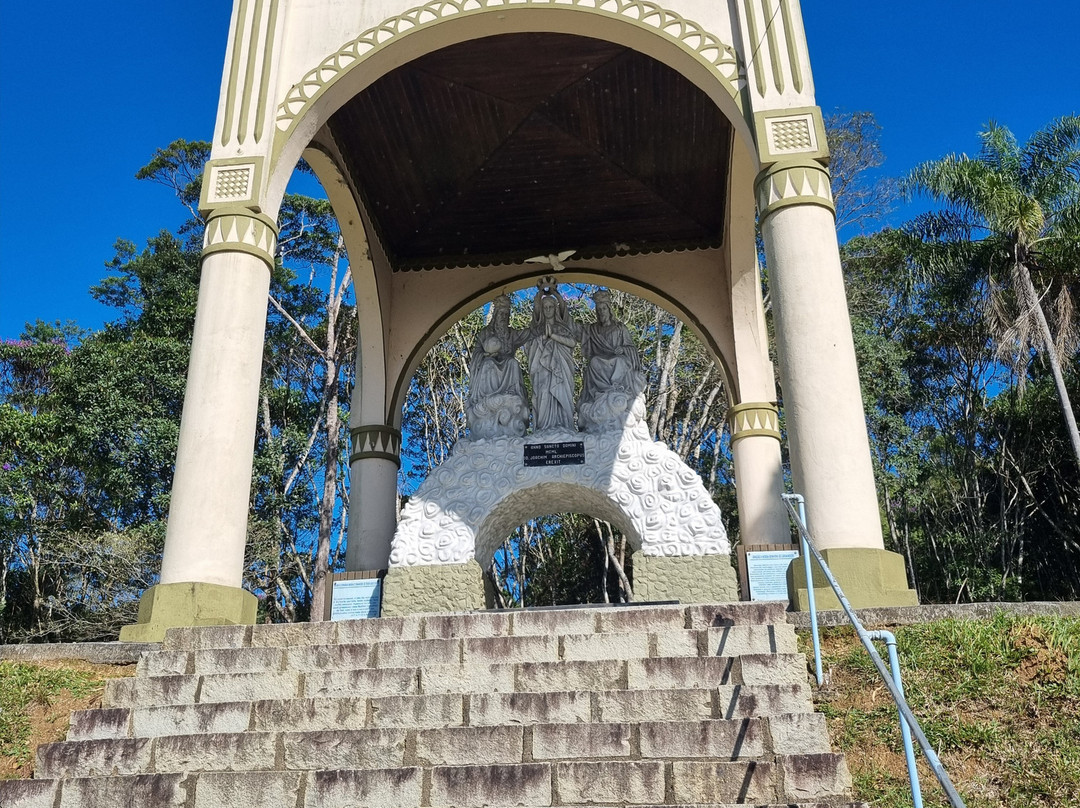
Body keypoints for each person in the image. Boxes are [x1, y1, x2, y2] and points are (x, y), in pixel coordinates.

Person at [578, 289, 645, 433]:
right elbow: (577, 332)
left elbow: (631, 348)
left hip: (619, 358)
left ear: (609, 310)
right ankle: (604, 391)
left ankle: (616, 388)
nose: (601, 312)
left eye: (604, 308)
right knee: (594, 362)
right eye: (599, 309)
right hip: (601, 359)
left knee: (620, 362)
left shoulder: (620, 328)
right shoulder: (593, 329)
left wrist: (623, 348)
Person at [465, 295, 529, 439]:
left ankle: (511, 392)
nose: (503, 317)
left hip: (506, 364)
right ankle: (488, 395)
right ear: (495, 315)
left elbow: (528, 334)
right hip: (488, 361)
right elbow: (476, 355)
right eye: (500, 313)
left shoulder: (510, 334)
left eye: (506, 314)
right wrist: (487, 354)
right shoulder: (485, 333)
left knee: (513, 363)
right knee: (488, 365)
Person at [522, 278, 580, 431]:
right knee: (543, 392)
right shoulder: (538, 329)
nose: (547, 310)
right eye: (545, 307)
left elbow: (572, 343)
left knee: (562, 393)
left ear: (555, 308)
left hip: (561, 368)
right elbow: (528, 346)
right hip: (542, 370)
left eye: (550, 307)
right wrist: (542, 339)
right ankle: (543, 427)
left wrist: (553, 336)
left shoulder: (562, 327)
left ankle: (565, 425)